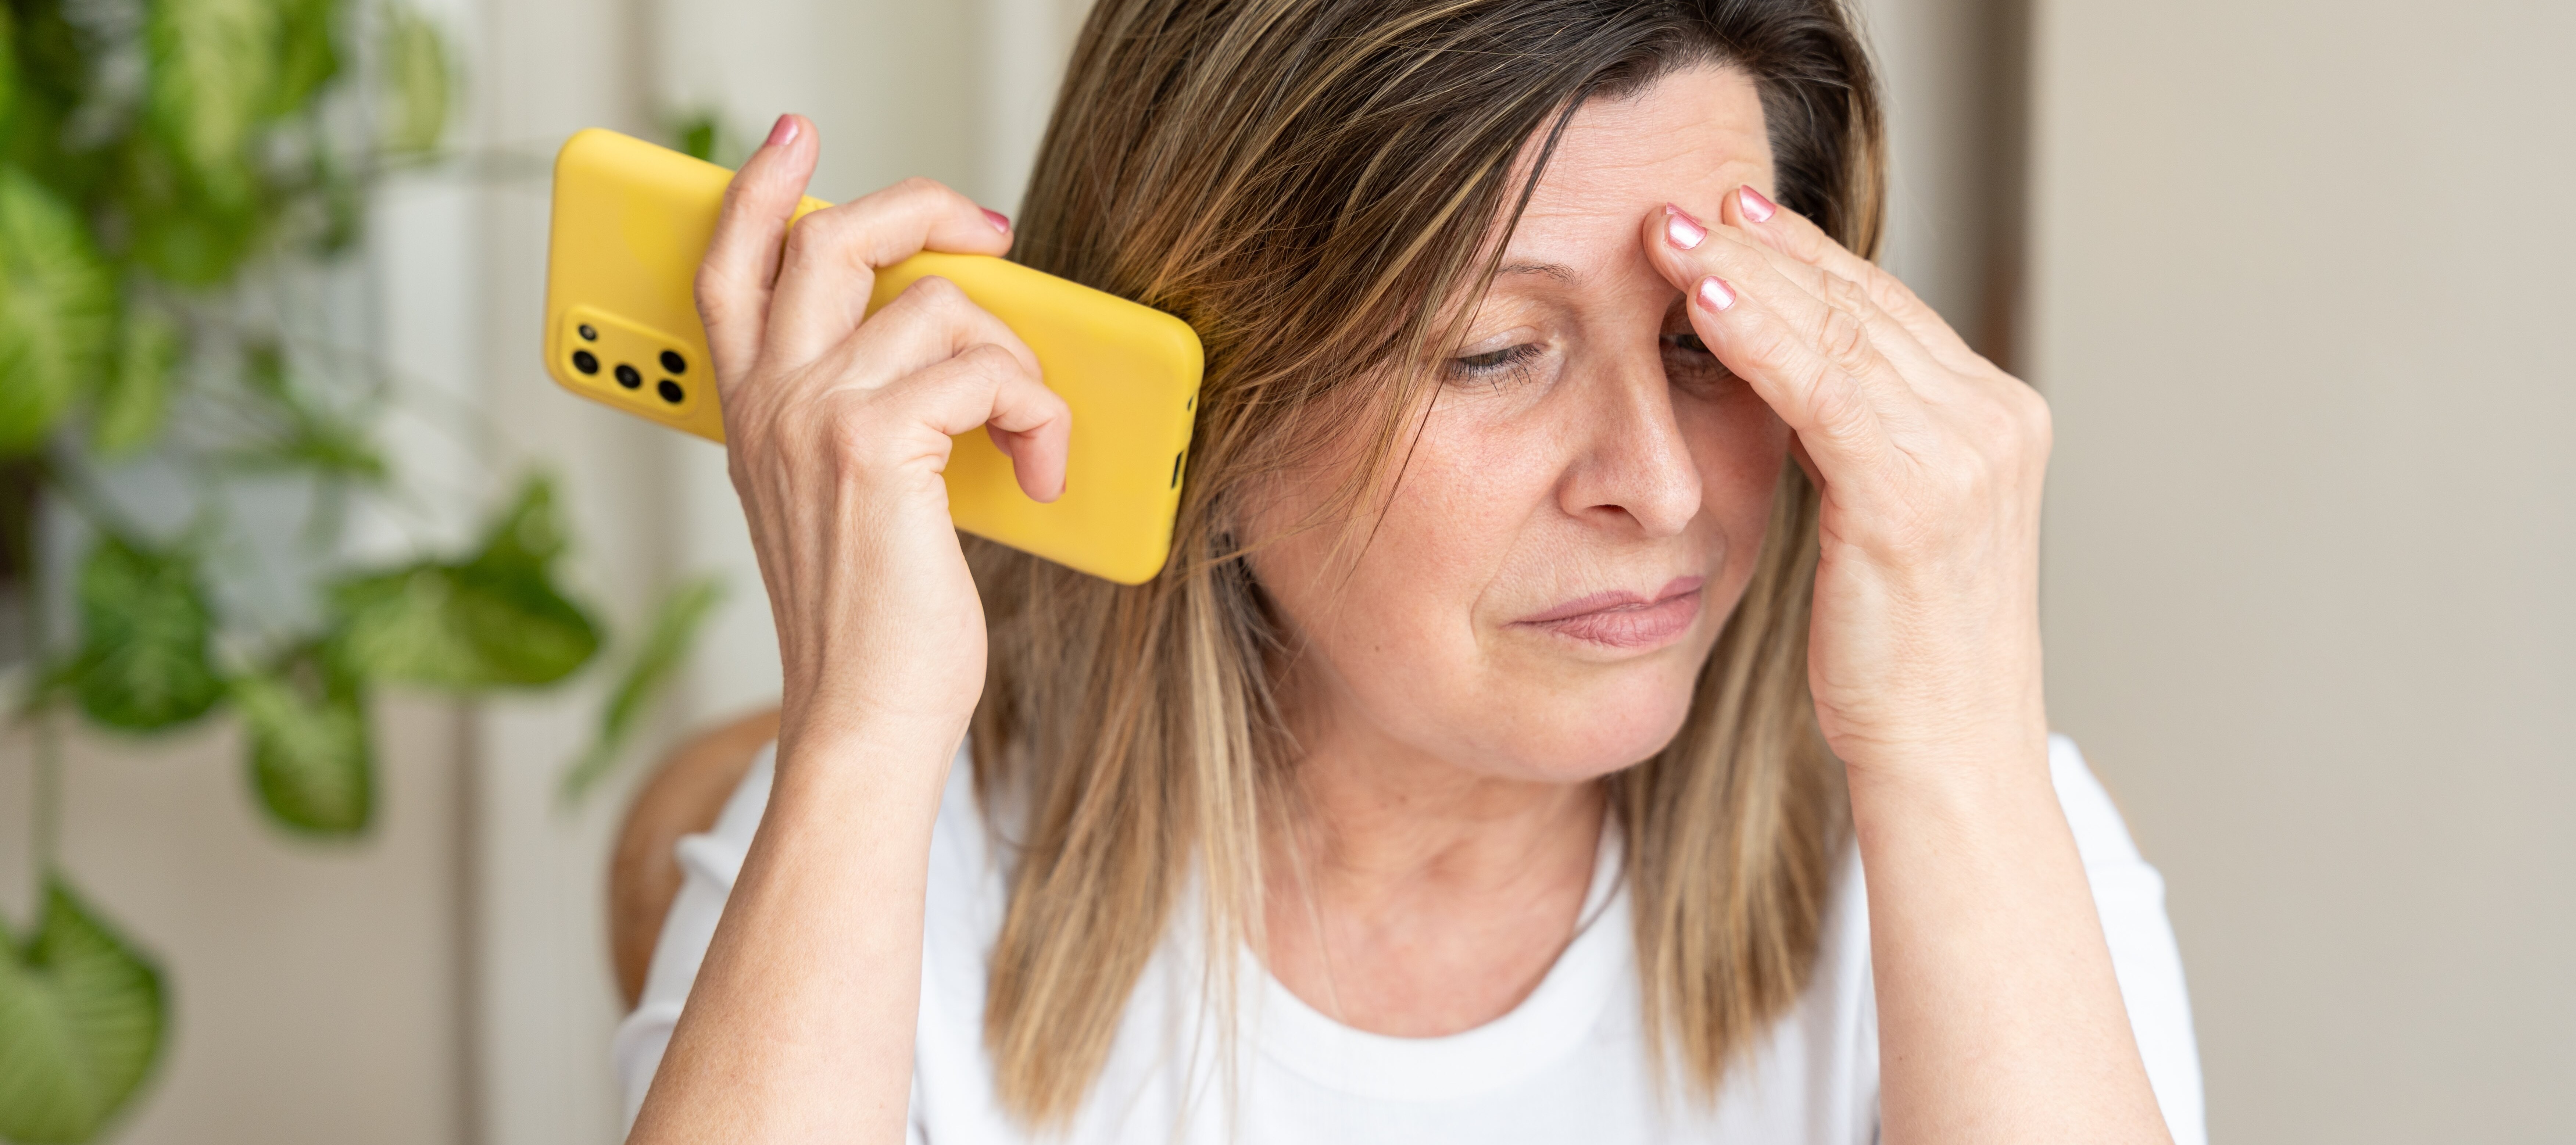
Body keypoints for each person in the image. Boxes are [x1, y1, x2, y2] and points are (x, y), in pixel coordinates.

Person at [615, 1, 2203, 1142]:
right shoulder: (896, 851)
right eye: (1498, 351)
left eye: (1707, 345)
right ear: (1208, 400)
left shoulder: (1969, 837)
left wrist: (1959, 738)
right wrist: (861, 732)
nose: (1660, 486)